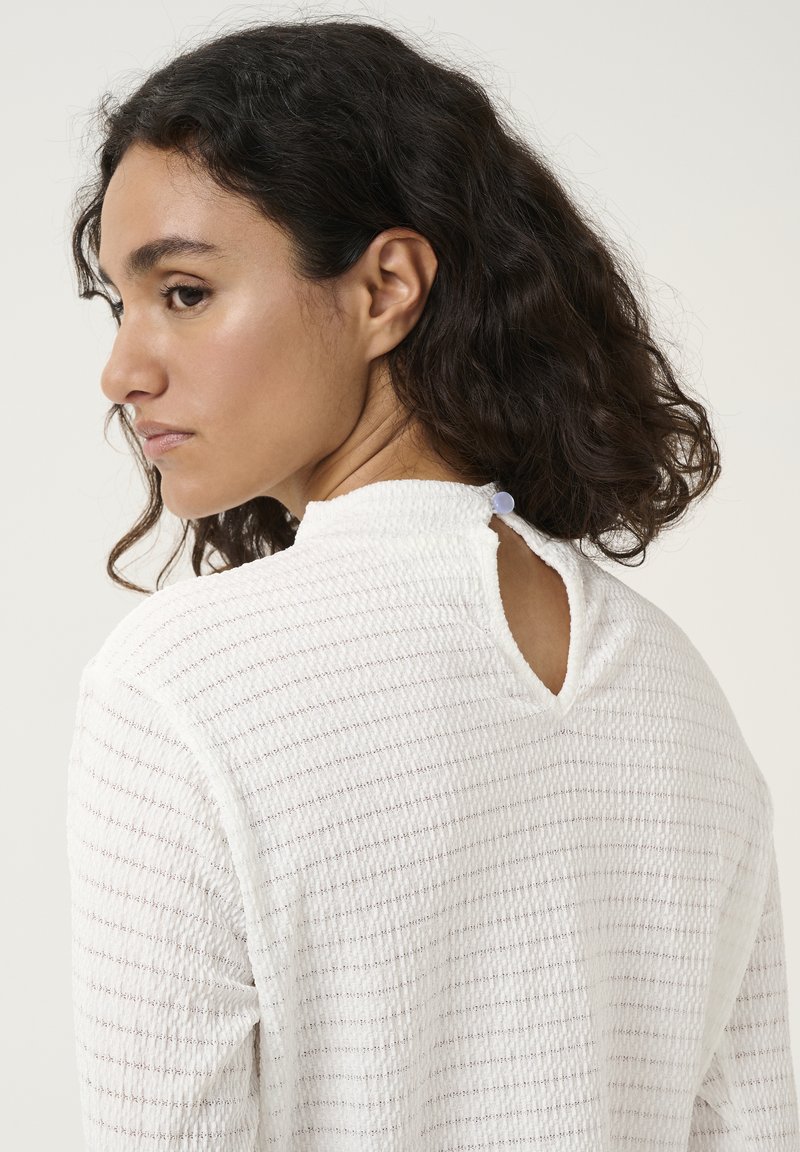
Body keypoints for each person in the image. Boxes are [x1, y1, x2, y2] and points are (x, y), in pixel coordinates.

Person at [65, 17, 798, 1151]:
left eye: (187, 293)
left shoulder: (179, 689)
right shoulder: (676, 694)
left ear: (385, 287)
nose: (123, 371)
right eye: (122, 305)